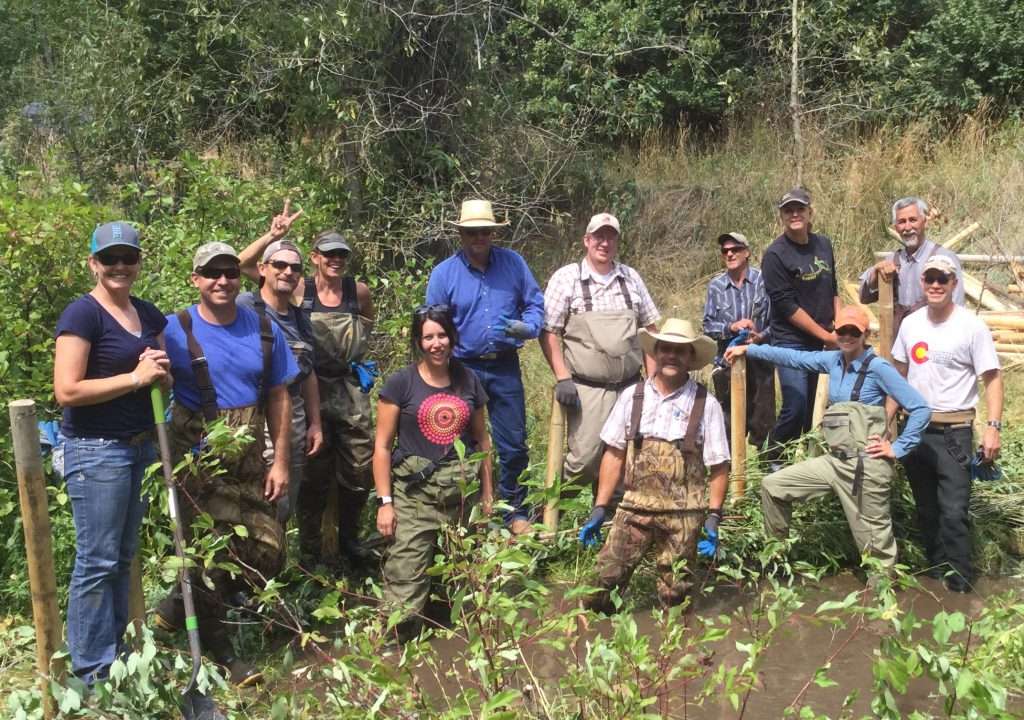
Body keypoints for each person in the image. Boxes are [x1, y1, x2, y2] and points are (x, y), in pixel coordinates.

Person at [155, 241, 298, 685]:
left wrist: (281, 462)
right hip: (197, 462)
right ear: (195, 279)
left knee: (268, 550)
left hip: (252, 459)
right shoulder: (172, 329)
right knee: (210, 558)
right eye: (211, 273)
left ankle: (172, 610)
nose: (222, 281)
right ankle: (226, 657)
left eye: (230, 272)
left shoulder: (263, 329)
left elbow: (278, 395)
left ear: (243, 277)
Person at [725, 306, 930, 572]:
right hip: (834, 462)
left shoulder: (878, 368)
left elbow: (920, 408)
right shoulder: (832, 360)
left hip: (865, 468)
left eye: (853, 331)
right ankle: (776, 563)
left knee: (876, 550)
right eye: (841, 330)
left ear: (865, 333)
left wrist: (898, 448)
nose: (846, 336)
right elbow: (793, 357)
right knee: (773, 486)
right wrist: (750, 350)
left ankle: (884, 604)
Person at [53, 222, 171, 684]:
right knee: (97, 560)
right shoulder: (82, 315)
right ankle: (90, 670)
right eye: (110, 258)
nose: (120, 266)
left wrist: (162, 375)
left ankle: (115, 653)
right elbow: (67, 389)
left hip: (140, 448)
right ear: (94, 264)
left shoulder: (147, 313)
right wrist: (135, 379)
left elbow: (161, 371)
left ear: (139, 262)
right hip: (96, 451)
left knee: (121, 557)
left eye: (128, 257)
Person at [239, 203, 377, 571]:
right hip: (301, 389)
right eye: (329, 254)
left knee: (359, 468)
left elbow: (366, 328)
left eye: (341, 255)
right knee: (312, 475)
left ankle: (349, 538)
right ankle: (311, 551)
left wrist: (360, 363)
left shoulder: (357, 292)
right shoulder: (298, 288)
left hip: (346, 389)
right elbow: (243, 267)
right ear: (315, 258)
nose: (336, 260)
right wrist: (274, 236)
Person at [578, 319, 730, 612]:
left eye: (680, 351)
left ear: (690, 359)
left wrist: (713, 516)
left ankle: (671, 650)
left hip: (685, 515)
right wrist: (600, 507)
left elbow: (719, 466)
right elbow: (614, 454)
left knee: (676, 596)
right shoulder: (632, 397)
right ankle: (593, 637)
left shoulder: (706, 403)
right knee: (602, 583)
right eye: (666, 349)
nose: (672, 356)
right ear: (656, 352)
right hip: (634, 509)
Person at [374, 305, 493, 642]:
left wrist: (487, 494)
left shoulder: (469, 380)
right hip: (415, 499)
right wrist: (385, 502)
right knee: (405, 582)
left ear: (452, 338)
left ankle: (449, 650)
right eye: (429, 337)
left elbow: (482, 440)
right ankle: (394, 647)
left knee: (462, 581)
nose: (437, 343)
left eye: (442, 335)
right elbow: (382, 447)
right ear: (418, 342)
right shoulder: (401, 383)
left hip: (461, 497)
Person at [425, 199, 544, 534]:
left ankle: (515, 512)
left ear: (493, 232)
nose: (479, 237)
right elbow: (433, 323)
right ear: (461, 234)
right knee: (462, 443)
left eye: (485, 231)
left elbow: (535, 303)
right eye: (472, 231)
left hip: (505, 366)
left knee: (513, 443)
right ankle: (471, 513)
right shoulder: (444, 274)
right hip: (463, 368)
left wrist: (529, 326)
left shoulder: (513, 264)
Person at [892, 255, 1002, 593]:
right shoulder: (911, 324)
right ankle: (935, 578)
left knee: (954, 512)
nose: (936, 284)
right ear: (922, 283)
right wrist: (884, 421)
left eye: (943, 278)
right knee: (926, 509)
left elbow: (993, 379)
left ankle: (960, 587)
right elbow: (898, 375)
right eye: (930, 278)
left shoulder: (972, 326)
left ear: (955, 284)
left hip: (954, 433)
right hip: (913, 430)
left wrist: (993, 426)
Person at [539, 212, 660, 496]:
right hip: (586, 389)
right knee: (584, 461)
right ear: (587, 240)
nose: (605, 243)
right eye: (599, 236)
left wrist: (653, 383)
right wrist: (562, 377)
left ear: (617, 241)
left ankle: (608, 524)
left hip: (631, 387)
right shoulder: (567, 278)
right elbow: (547, 331)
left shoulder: (630, 278)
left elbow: (651, 331)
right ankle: (548, 514)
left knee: (624, 460)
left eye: (611, 237)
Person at [237, 239, 323, 524]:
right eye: (280, 265)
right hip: (247, 410)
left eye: (295, 267)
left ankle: (274, 559)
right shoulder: (244, 306)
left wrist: (316, 423)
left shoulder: (301, 321)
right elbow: (232, 267)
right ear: (263, 268)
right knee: (242, 493)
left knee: (283, 496)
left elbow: (308, 372)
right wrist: (272, 235)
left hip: (291, 414)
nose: (288, 271)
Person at [761, 188, 840, 466]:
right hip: (791, 342)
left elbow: (834, 289)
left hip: (825, 339)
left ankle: (806, 465)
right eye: (788, 210)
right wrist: (827, 337)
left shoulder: (824, 245)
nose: (795, 214)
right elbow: (787, 308)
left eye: (800, 209)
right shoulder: (775, 255)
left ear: (810, 213)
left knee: (816, 412)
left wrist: (838, 328)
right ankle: (771, 459)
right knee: (795, 405)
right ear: (781, 216)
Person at [702, 231, 775, 450]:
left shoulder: (764, 281)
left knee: (764, 422)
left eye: (736, 249)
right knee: (728, 424)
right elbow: (707, 326)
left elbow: (777, 322)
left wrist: (759, 336)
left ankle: (767, 473)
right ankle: (730, 476)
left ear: (747, 252)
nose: (730, 254)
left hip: (760, 362)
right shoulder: (715, 287)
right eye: (725, 251)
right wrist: (730, 327)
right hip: (728, 364)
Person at [858, 196, 965, 339]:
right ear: (896, 227)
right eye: (901, 222)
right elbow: (864, 297)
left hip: (933, 343)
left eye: (912, 220)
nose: (907, 227)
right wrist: (875, 273)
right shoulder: (892, 260)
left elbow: (957, 309)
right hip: (897, 346)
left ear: (924, 222)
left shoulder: (944, 259)